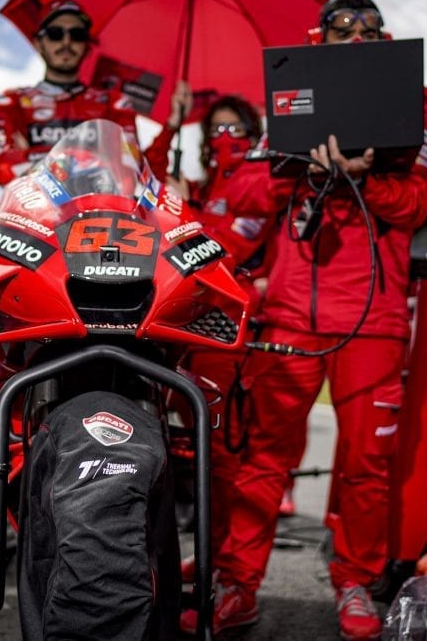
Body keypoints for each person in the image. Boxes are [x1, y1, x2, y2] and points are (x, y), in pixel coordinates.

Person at [180, 0, 427, 639]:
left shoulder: (415, 107)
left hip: (373, 318)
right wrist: (295, 163)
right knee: (264, 457)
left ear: (385, 42)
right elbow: (242, 190)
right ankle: (238, 583)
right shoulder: (288, 105)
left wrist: (365, 174)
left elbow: (415, 205)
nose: (356, 34)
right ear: (317, 38)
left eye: (369, 28)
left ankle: (354, 581)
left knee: (366, 463)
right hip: (291, 314)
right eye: (342, 25)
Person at [153, 94, 275, 583]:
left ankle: (227, 569)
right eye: (216, 132)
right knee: (200, 454)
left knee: (228, 457)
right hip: (187, 327)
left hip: (232, 334)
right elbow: (147, 177)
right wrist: (171, 124)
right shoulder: (200, 187)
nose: (226, 140)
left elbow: (228, 246)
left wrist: (188, 215)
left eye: (235, 130)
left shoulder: (261, 181)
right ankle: (210, 555)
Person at [0, 0, 189, 187]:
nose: (66, 42)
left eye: (77, 35)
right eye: (55, 34)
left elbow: (131, 173)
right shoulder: (8, 103)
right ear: (39, 43)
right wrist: (100, 160)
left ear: (87, 46)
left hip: (99, 220)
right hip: (29, 220)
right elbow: (5, 171)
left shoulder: (115, 103)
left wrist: (171, 125)